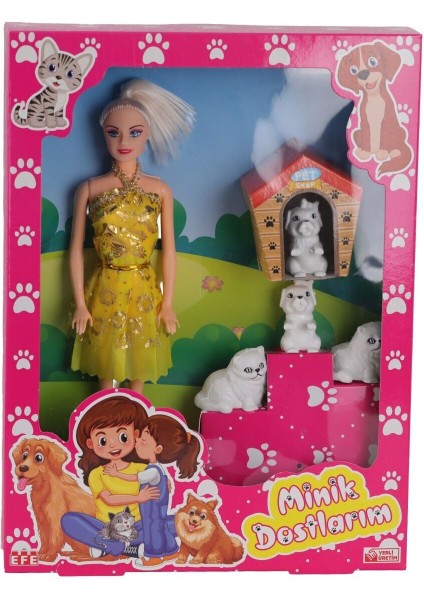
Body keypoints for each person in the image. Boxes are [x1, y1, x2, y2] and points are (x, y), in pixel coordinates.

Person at [69, 79, 195, 393]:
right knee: (106, 366)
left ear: (148, 133)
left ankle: (138, 417)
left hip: (144, 287)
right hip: (105, 286)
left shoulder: (160, 190)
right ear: (103, 134)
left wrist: (168, 303)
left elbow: (169, 250)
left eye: (135, 132)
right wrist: (80, 304)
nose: (124, 141)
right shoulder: (90, 189)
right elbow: (75, 250)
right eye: (114, 132)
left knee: (139, 367)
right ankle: (103, 413)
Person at [61, 396, 157, 559]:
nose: (113, 444)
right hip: (105, 528)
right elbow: (109, 499)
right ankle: (124, 548)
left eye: (123, 437)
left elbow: (158, 485)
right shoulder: (96, 474)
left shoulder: (142, 468)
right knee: (68, 520)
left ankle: (110, 547)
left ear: (135, 435)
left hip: (136, 527)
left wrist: (164, 485)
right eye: (103, 440)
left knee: (172, 522)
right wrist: (138, 498)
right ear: (90, 443)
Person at [104, 413, 202, 567]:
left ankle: (153, 556)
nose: (137, 441)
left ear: (158, 448)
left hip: (152, 510)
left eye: (143, 440)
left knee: (152, 530)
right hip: (157, 507)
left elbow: (136, 478)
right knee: (161, 527)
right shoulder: (159, 469)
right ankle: (171, 551)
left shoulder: (152, 470)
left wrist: (116, 474)